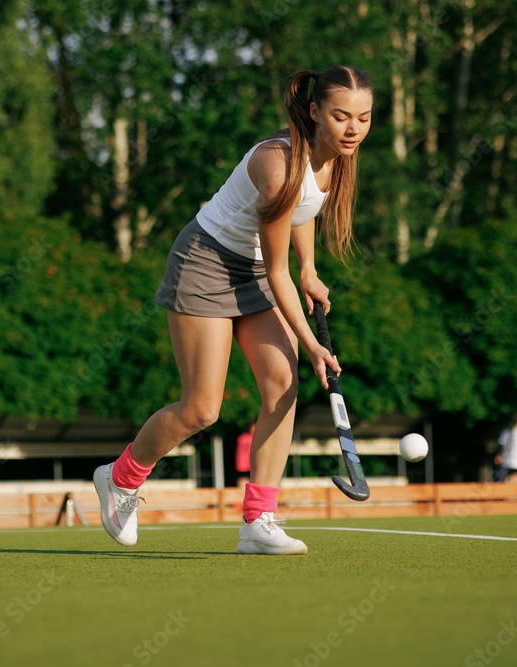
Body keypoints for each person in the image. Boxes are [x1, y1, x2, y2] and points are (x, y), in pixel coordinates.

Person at [93, 66, 374, 555]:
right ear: (314, 112)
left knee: (282, 386)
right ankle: (120, 478)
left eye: (364, 118)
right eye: (341, 116)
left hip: (257, 269)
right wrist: (310, 342)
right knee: (201, 408)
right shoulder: (278, 164)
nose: (353, 129)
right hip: (205, 264)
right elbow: (279, 267)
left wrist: (310, 268)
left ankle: (257, 522)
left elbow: (302, 212)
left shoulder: (336, 158)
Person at [235, 422, 255, 487]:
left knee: (242, 483)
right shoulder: (252, 438)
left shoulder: (241, 437)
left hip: (242, 465)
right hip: (248, 465)